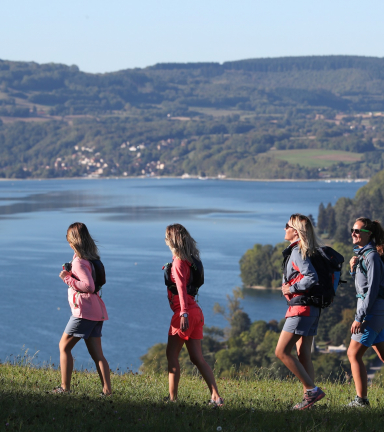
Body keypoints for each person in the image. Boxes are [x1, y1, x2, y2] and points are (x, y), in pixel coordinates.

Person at [164, 223, 223, 406]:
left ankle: (172, 399)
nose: (165, 241)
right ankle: (216, 396)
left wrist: (183, 313)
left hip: (186, 312)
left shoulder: (179, 262)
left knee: (171, 354)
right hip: (196, 311)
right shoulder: (191, 260)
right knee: (197, 358)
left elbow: (181, 288)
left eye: (167, 237)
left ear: (172, 240)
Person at [53, 222, 111, 395]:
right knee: (97, 355)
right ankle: (107, 391)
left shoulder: (79, 262)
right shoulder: (91, 259)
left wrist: (67, 278)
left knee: (64, 346)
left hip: (84, 312)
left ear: (72, 242)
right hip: (96, 311)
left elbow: (89, 286)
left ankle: (65, 388)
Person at [275, 214, 325, 410]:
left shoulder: (297, 251)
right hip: (312, 309)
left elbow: (310, 277)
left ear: (295, 231)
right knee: (303, 353)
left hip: (301, 309)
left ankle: (312, 390)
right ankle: (309, 401)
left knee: (281, 351)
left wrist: (291, 289)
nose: (284, 228)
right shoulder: (308, 251)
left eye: (287, 225)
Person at [347, 217, 384, 407]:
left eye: (357, 231)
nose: (353, 233)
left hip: (371, 311)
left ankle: (361, 401)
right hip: (375, 310)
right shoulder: (364, 255)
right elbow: (364, 284)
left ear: (368, 234)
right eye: (352, 230)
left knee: (353, 354)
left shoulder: (371, 257)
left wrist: (360, 317)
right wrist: (354, 270)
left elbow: (373, 289)